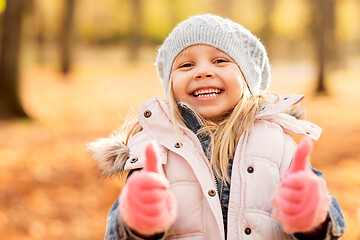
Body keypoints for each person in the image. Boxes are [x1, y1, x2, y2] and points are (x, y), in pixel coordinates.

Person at [88, 14, 346, 240]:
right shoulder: (153, 149)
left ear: (246, 78)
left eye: (220, 61)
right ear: (170, 86)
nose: (202, 72)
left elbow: (326, 226)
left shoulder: (278, 144)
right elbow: (120, 231)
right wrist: (140, 224)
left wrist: (311, 219)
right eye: (186, 65)